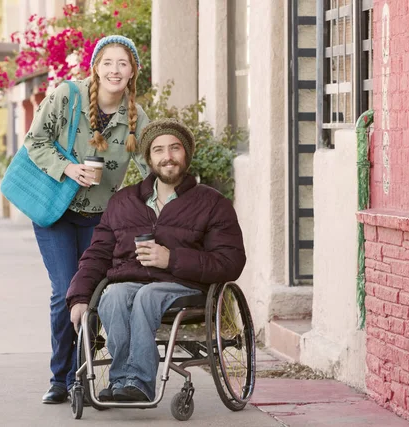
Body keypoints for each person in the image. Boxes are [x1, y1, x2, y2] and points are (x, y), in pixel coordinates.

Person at [66, 119, 247, 403]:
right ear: (149, 158)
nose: (168, 157)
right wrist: (78, 297)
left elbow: (230, 261)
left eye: (175, 148)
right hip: (130, 281)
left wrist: (171, 259)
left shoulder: (213, 204)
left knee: (148, 295)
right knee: (113, 294)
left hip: (184, 285)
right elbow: (97, 254)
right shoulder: (123, 202)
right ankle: (121, 382)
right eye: (159, 150)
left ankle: (138, 382)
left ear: (186, 154)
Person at [25, 35, 150, 404]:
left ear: (132, 73)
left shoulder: (135, 118)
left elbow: (148, 166)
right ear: (95, 66)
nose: (115, 70)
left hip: (100, 218)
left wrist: (174, 195)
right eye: (108, 62)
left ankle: (83, 369)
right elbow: (35, 141)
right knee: (66, 290)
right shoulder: (68, 96)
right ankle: (61, 378)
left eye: (123, 64)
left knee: (96, 292)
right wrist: (68, 168)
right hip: (55, 212)